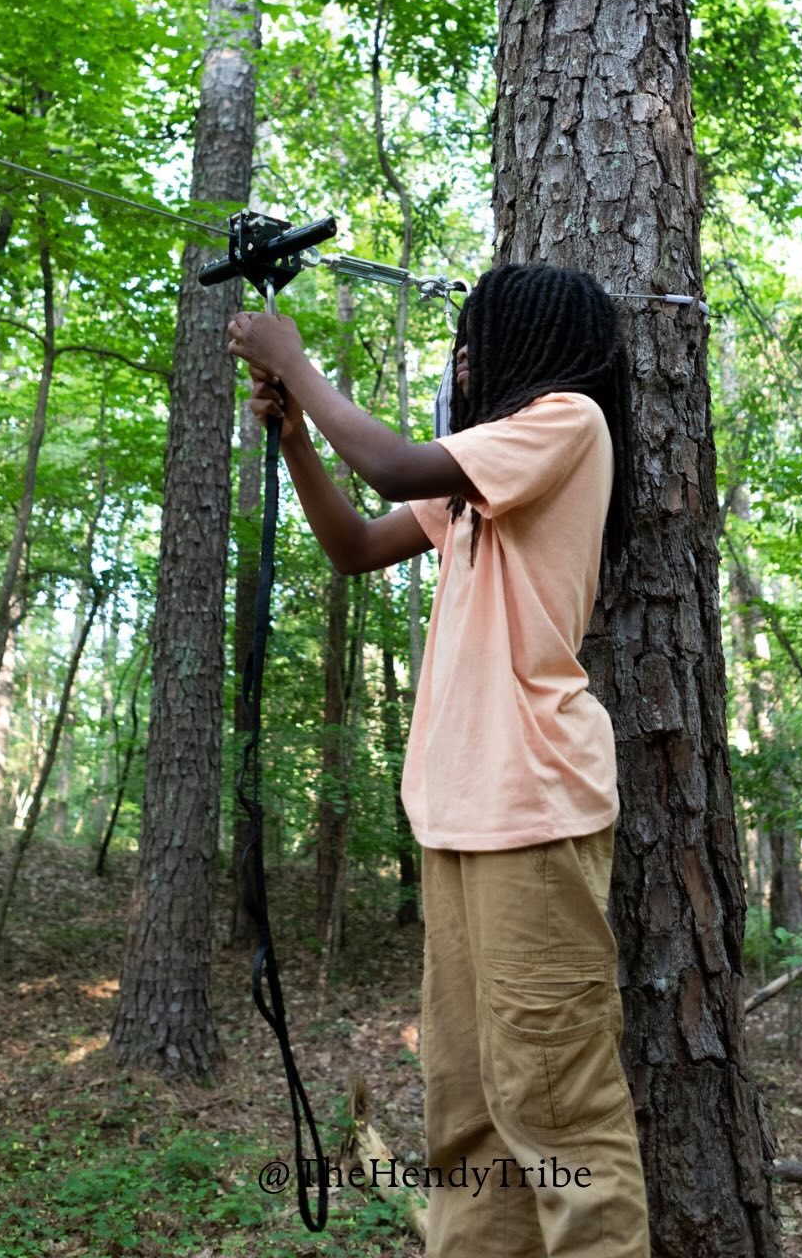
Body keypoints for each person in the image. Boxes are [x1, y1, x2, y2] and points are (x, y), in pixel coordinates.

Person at [227, 262, 650, 1258]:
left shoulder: (566, 423)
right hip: (459, 815)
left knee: (560, 1117)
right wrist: (294, 439)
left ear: (528, 346)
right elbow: (356, 543)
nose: (460, 359)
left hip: (536, 807)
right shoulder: (472, 482)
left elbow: (392, 464)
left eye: (474, 342)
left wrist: (300, 361)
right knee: (469, 1121)